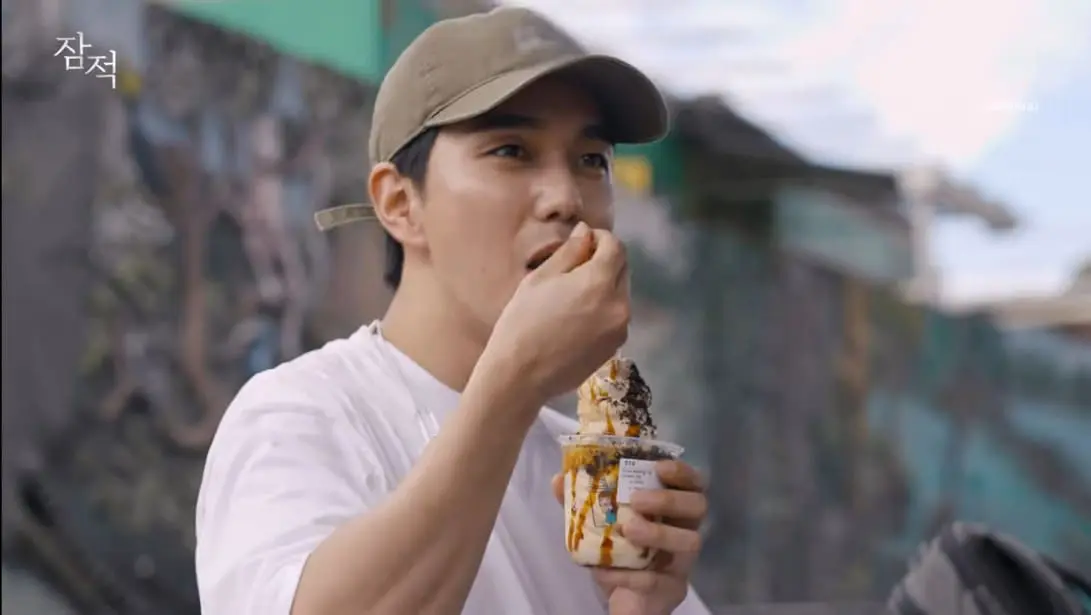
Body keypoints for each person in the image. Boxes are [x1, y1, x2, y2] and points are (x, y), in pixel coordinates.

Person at [195, 6, 711, 615]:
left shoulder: (587, 471)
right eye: (512, 150)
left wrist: (645, 606)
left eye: (591, 160)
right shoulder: (303, 415)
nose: (567, 199)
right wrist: (514, 382)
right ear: (400, 203)